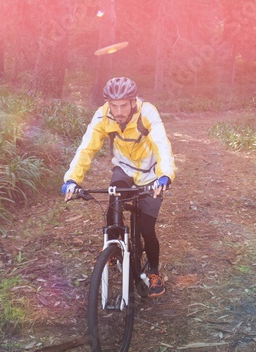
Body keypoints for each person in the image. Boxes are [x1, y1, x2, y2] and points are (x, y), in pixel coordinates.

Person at [62, 77, 176, 297]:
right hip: (123, 169)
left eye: (123, 105)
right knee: (113, 202)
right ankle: (113, 249)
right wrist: (72, 179)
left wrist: (164, 176)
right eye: (114, 106)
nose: (119, 111)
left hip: (152, 175)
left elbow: (163, 145)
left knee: (146, 229)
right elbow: (86, 148)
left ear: (133, 102)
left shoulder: (147, 113)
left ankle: (153, 272)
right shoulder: (103, 115)